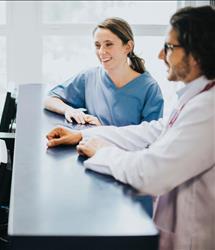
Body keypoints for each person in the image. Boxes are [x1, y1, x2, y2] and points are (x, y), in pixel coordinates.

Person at [46, 6, 214, 250]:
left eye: (169, 47)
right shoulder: (197, 99)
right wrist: (83, 134)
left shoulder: (207, 109)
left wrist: (102, 151)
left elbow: (150, 174)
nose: (159, 55)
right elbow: (151, 130)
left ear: (196, 55)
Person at [44, 17, 164, 126]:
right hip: (89, 149)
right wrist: (69, 110)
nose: (101, 51)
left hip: (125, 151)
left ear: (128, 47)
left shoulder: (149, 88)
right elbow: (49, 99)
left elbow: (150, 138)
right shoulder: (89, 77)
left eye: (109, 44)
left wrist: (101, 131)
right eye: (97, 45)